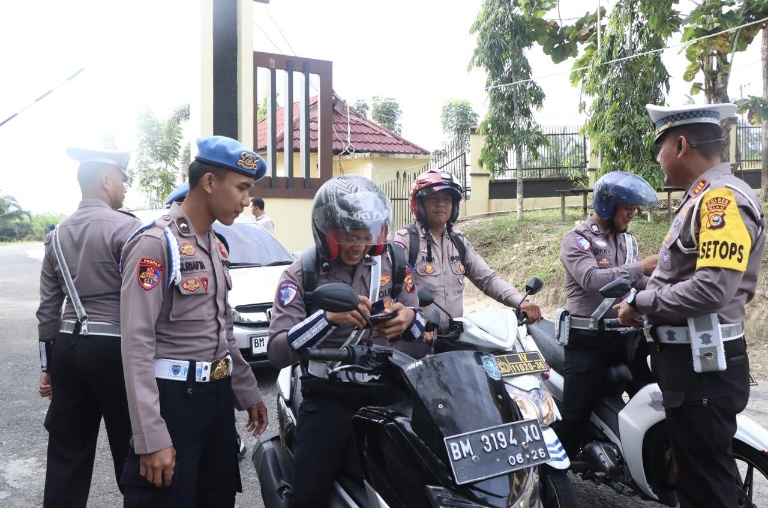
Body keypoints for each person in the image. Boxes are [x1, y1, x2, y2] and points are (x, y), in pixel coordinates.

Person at [616, 103, 766, 508]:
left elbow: (712, 289)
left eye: (660, 147)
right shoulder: (700, 199)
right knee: (698, 478)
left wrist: (641, 302)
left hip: (703, 367)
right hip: (691, 364)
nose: (658, 158)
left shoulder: (721, 201)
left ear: (681, 145)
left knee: (705, 488)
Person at [119, 135, 269, 507]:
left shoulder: (214, 245)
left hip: (215, 400)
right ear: (209, 182)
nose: (246, 200)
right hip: (173, 402)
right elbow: (136, 343)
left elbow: (223, 329)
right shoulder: (157, 243)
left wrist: (248, 391)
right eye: (242, 188)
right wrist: (150, 436)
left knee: (217, 497)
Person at [267, 174, 425, 508]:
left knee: (426, 470)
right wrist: (326, 318)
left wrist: (409, 320)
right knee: (308, 495)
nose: (359, 245)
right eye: (350, 235)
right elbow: (278, 352)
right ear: (327, 231)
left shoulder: (394, 263)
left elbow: (418, 326)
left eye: (367, 235)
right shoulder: (302, 273)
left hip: (387, 386)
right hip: (330, 393)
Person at [36, 146, 140, 507]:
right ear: (106, 180)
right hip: (115, 350)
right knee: (133, 448)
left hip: (68, 346)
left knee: (66, 453)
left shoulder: (56, 235)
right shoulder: (129, 229)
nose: (125, 188)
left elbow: (47, 310)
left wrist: (48, 365)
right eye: (122, 180)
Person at [555, 171, 659, 459]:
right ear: (607, 205)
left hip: (628, 338)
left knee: (655, 401)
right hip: (589, 341)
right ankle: (552, 477)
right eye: (627, 207)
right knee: (573, 421)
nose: (632, 214)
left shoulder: (627, 241)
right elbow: (592, 280)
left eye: (635, 208)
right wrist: (640, 267)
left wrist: (668, 289)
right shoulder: (577, 240)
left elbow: (638, 282)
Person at [392, 169, 542, 357]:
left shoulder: (458, 242)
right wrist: (416, 322)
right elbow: (391, 288)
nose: (441, 204)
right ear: (419, 204)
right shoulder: (406, 240)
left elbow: (487, 278)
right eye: (433, 198)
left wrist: (520, 301)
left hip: (452, 339)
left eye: (447, 199)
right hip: (416, 339)